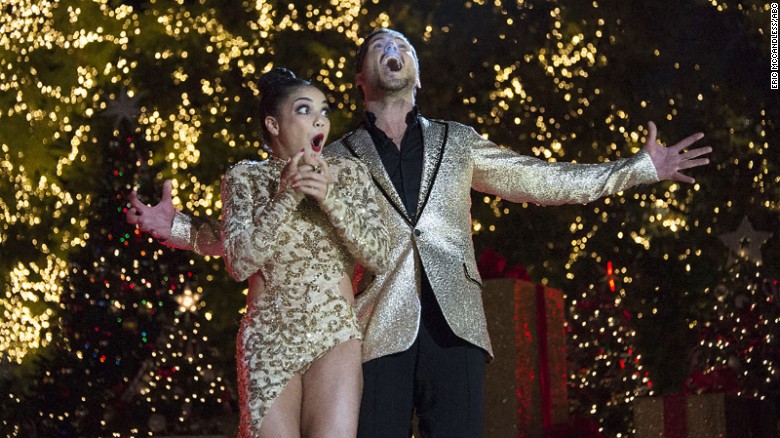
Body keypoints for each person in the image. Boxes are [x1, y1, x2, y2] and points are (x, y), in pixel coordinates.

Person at [128, 29, 712, 438]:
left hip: (456, 328)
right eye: (379, 46)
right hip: (374, 331)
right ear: (360, 80)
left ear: (417, 74)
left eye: (403, 46)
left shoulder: (458, 142)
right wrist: (174, 226)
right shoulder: (336, 157)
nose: (393, 49)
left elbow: (543, 179)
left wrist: (639, 169)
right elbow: (254, 236)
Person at [128, 67, 390, 437]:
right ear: (273, 124)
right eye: (304, 109)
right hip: (269, 337)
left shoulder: (349, 173)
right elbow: (239, 263)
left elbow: (380, 256)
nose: (320, 120)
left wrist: (330, 197)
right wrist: (286, 196)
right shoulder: (245, 178)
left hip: (335, 334)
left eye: (324, 111)